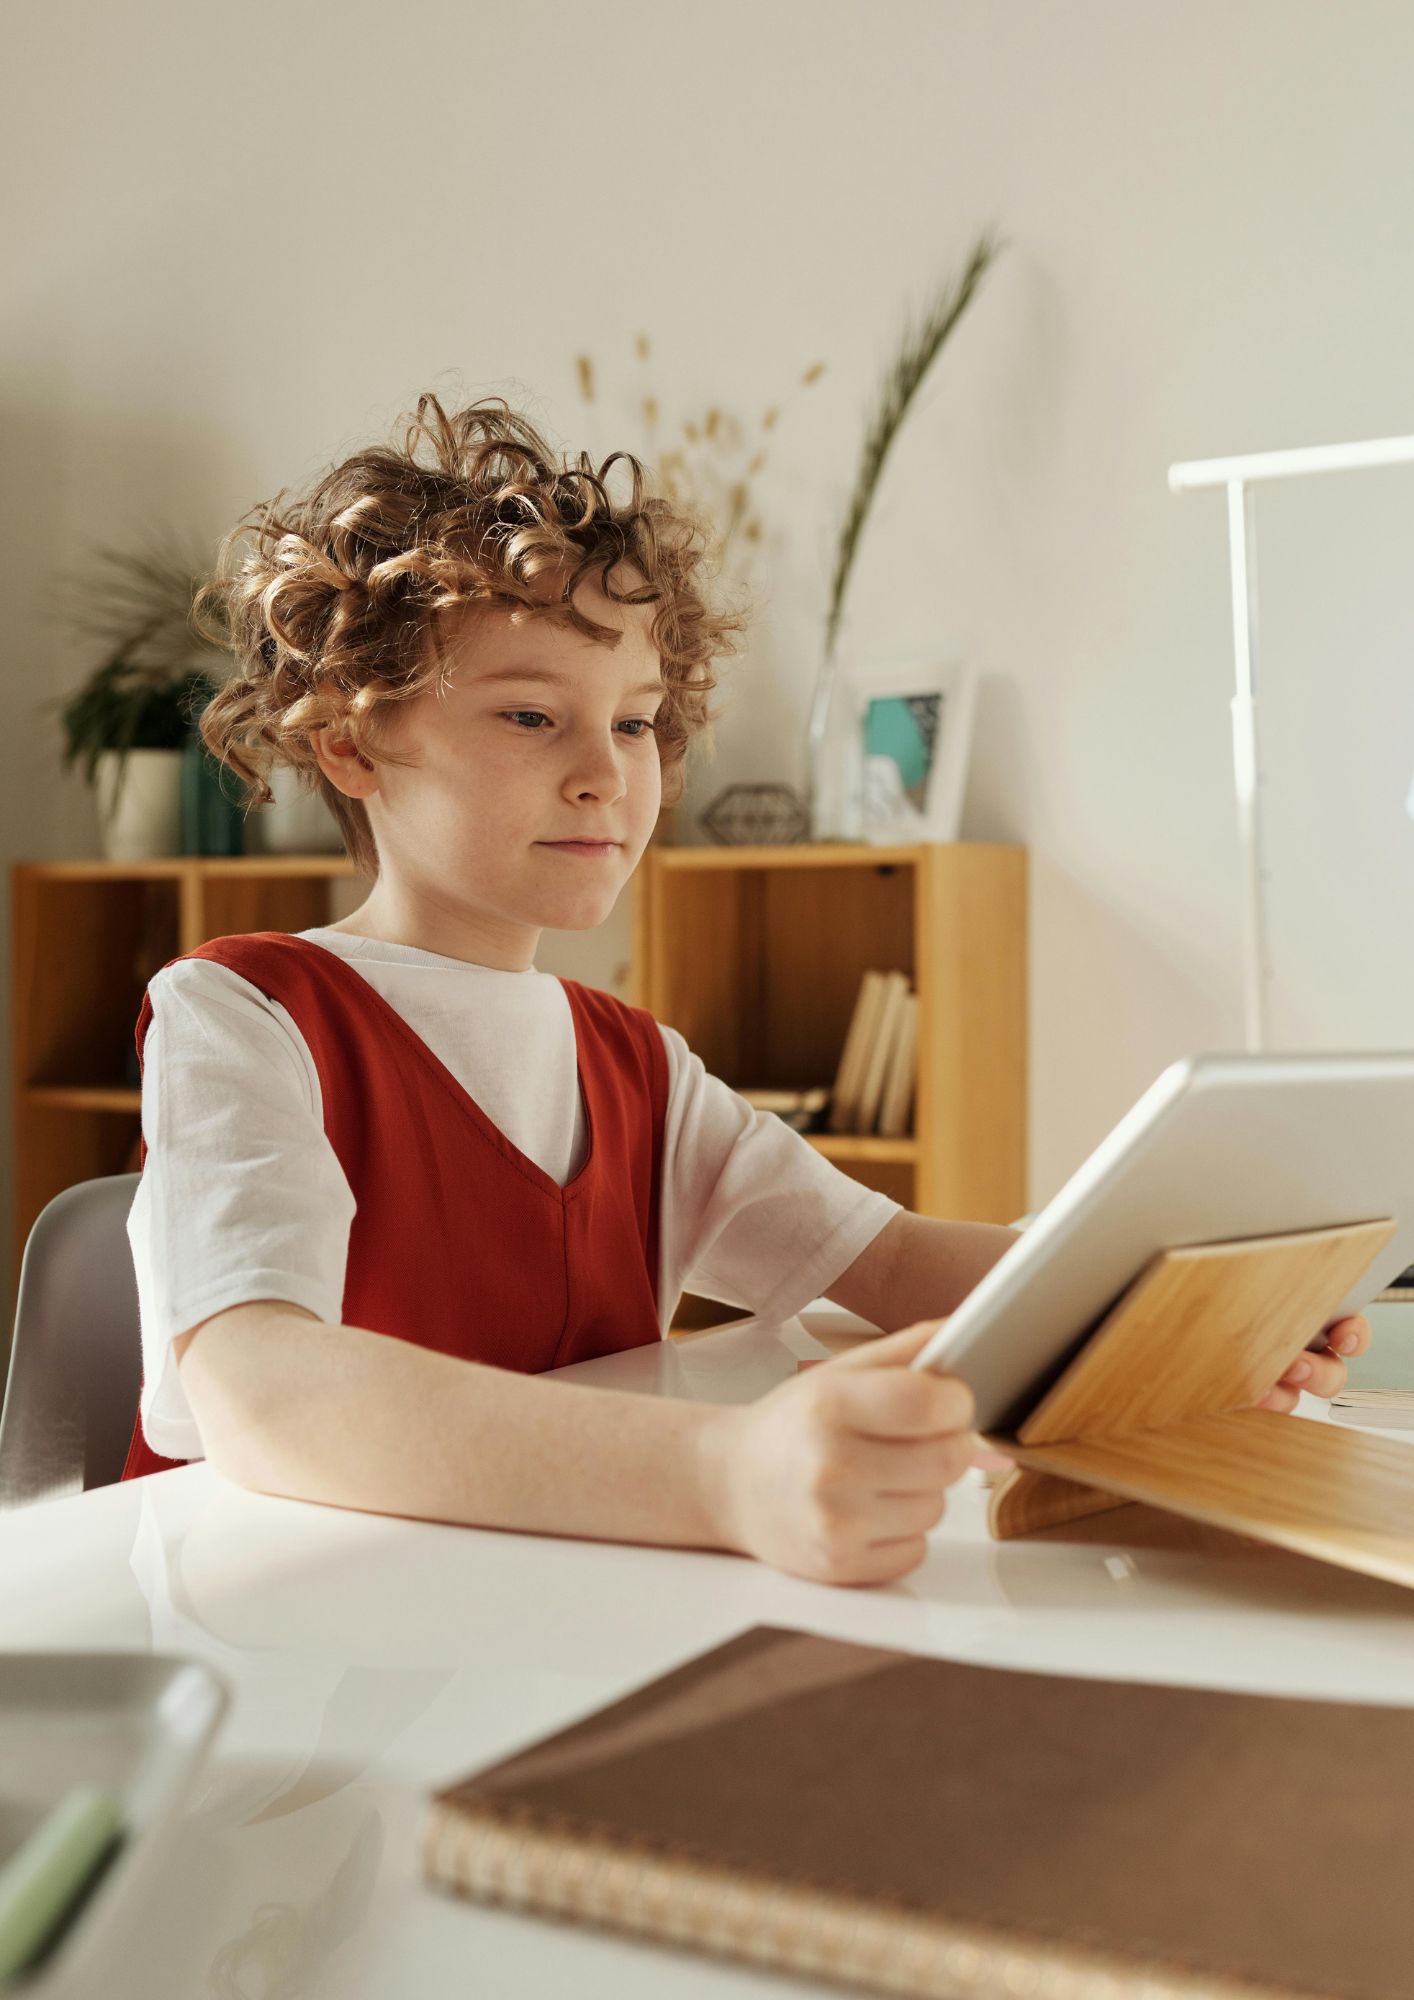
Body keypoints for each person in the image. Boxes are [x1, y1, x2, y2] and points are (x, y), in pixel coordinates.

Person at [119, 391, 1368, 1587]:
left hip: (537, 1619)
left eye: (636, 723)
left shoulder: (641, 1068)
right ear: (349, 741)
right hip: (281, 1652)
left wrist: (1181, 1314)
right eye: (527, 718)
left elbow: (896, 1261)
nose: (606, 774)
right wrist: (724, 1473)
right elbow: (263, 1391)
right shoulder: (244, 1015)